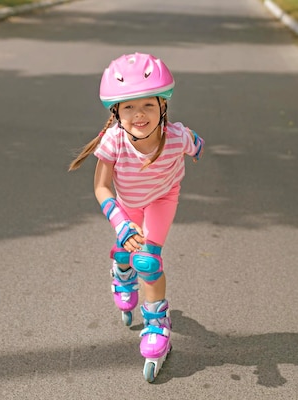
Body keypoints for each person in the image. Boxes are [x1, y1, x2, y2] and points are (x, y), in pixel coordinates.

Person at [68, 52, 204, 382]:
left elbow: (196, 145)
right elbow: (101, 187)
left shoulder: (176, 137)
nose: (138, 114)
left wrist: (195, 146)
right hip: (127, 206)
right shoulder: (114, 141)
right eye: (128, 107)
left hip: (162, 200)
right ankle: (121, 268)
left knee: (149, 260)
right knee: (127, 248)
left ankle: (157, 324)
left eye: (147, 105)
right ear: (115, 112)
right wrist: (121, 222)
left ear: (163, 107)